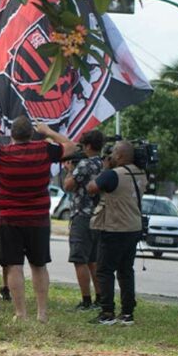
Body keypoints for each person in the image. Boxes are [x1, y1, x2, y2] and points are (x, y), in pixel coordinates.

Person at [0, 116, 74, 323]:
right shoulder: (44, 149)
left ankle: (20, 313)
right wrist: (48, 132)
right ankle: (42, 313)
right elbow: (71, 147)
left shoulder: (1, 153)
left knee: (14, 266)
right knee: (39, 265)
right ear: (31, 133)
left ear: (12, 135)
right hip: (38, 218)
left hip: (9, 217)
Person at [87, 141, 148, 325]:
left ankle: (107, 312)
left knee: (104, 271)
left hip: (114, 228)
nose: (111, 155)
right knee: (126, 271)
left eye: (113, 152)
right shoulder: (140, 173)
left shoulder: (113, 175)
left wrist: (105, 168)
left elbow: (91, 188)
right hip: (133, 228)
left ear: (120, 156)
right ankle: (127, 313)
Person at [62, 130, 104, 311]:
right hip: (98, 216)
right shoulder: (104, 163)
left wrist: (70, 170)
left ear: (87, 146)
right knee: (93, 260)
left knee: (79, 259)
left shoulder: (85, 164)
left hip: (82, 215)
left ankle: (86, 300)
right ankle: (100, 298)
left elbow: (68, 185)